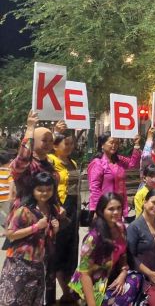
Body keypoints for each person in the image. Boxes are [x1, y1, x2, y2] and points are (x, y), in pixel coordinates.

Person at [69, 193, 141, 306]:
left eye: (119, 208)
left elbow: (123, 254)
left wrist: (123, 273)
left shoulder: (121, 228)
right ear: (102, 211)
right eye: (111, 209)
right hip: (93, 284)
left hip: (111, 277)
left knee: (137, 278)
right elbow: (84, 274)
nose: (116, 212)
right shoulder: (93, 238)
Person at [0, 172, 60, 306]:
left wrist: (54, 230)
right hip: (19, 261)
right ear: (33, 190)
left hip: (38, 262)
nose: (44, 193)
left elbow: (45, 236)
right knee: (14, 299)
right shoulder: (24, 210)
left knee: (33, 298)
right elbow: (10, 234)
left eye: (48, 189)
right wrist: (35, 227)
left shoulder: (51, 209)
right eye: (40, 190)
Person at [49, 129, 81, 303]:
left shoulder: (73, 162)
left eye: (71, 143)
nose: (69, 146)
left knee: (71, 252)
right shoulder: (50, 161)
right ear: (55, 146)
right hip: (59, 209)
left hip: (73, 211)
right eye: (65, 143)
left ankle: (68, 292)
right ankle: (63, 293)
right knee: (58, 253)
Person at [10, 111, 58, 209]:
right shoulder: (25, 164)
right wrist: (30, 129)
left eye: (51, 141)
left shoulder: (49, 163)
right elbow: (23, 156)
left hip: (47, 214)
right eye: (44, 140)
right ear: (33, 141)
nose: (48, 144)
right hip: (26, 215)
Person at [88, 132, 141, 218]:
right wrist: (96, 209)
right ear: (102, 144)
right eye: (111, 142)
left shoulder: (119, 159)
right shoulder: (98, 163)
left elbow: (133, 164)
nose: (114, 145)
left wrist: (136, 145)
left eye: (116, 143)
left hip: (118, 204)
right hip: (104, 206)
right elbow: (94, 188)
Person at [0, 151, 14, 233]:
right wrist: (10, 195)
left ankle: (5, 230)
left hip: (2, 197)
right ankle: (9, 230)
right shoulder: (9, 172)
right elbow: (11, 183)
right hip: (6, 197)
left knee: (3, 216)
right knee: (9, 215)